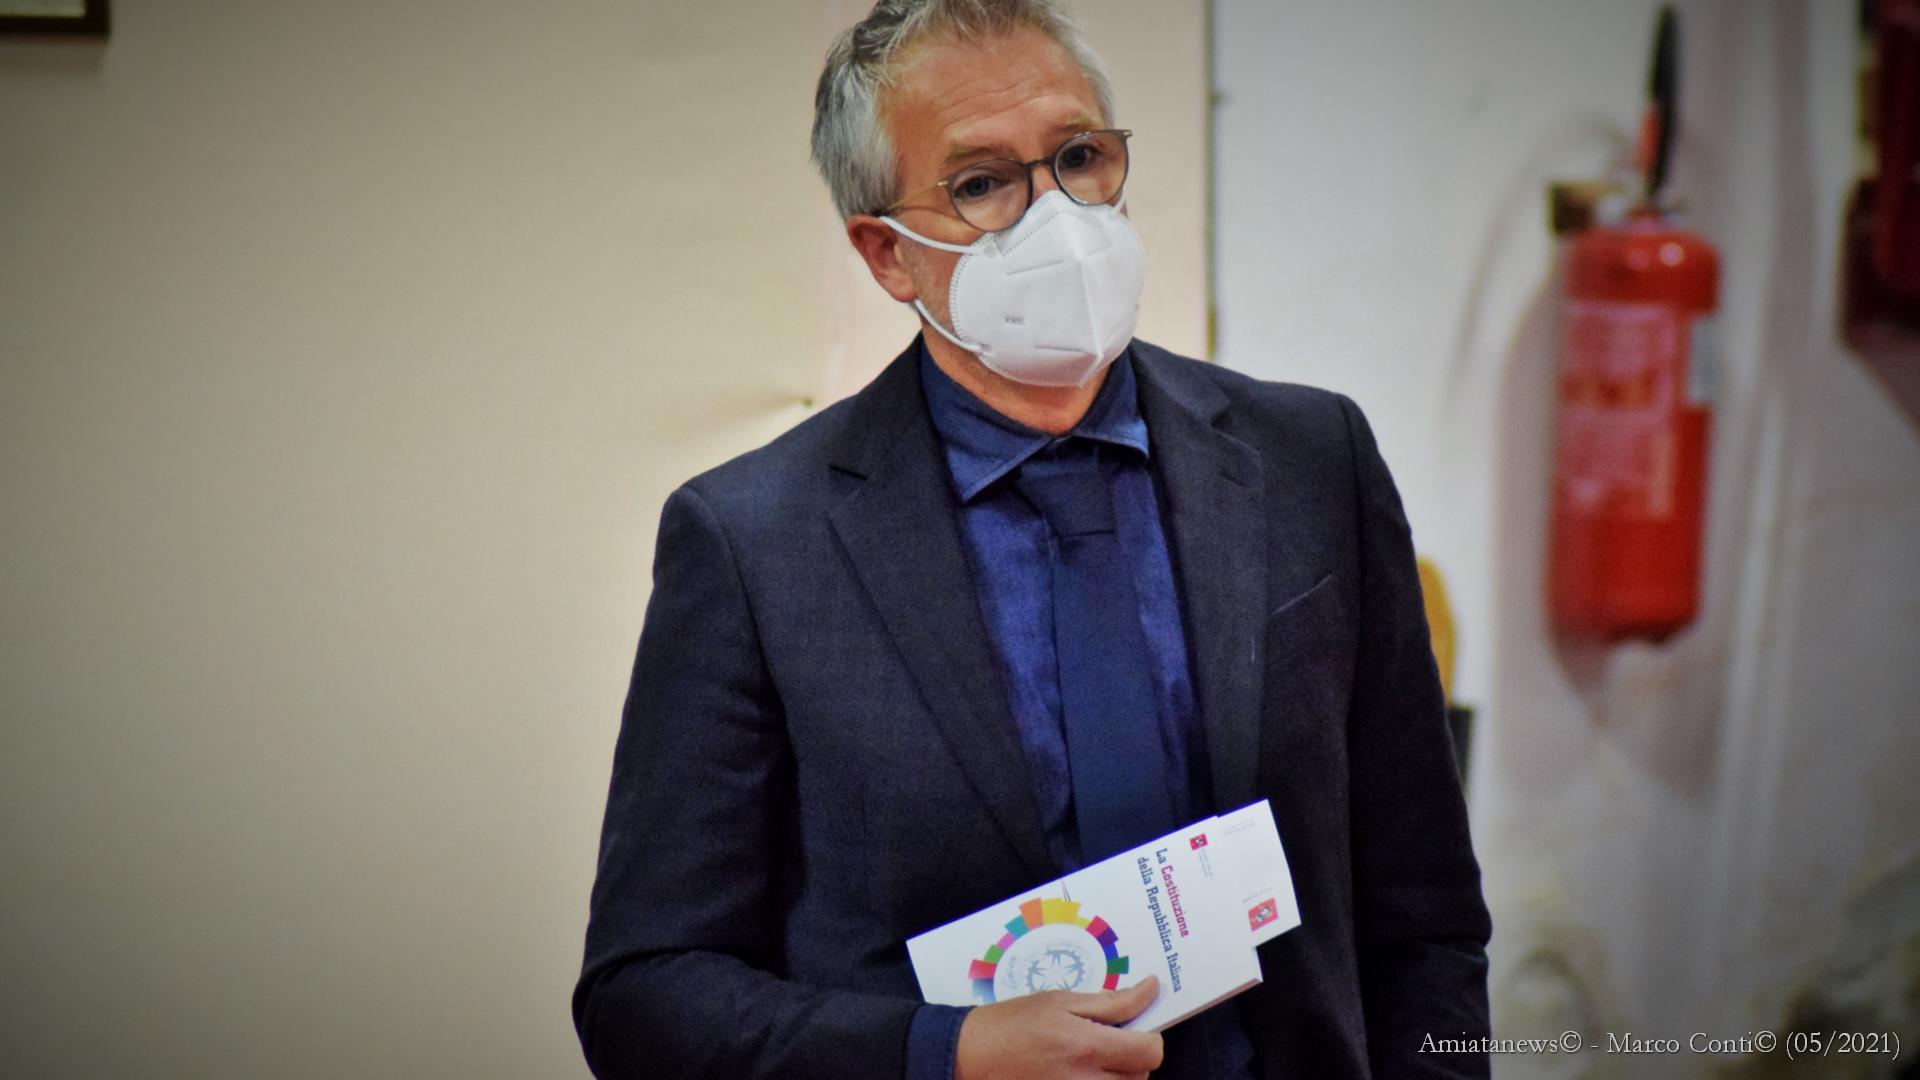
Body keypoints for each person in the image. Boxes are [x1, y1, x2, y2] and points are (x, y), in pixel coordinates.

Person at [573, 1, 1492, 1077]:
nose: (1056, 217)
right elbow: (647, 993)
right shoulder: (756, 542)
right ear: (886, 253)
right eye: (981, 184)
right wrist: (943, 1053)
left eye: (1080, 158)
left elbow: (1424, 910)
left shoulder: (1308, 459)